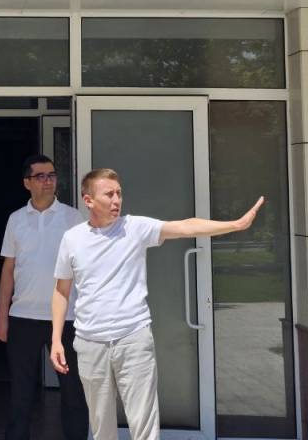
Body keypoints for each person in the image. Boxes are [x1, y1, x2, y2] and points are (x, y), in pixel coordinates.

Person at [50, 168, 264, 440]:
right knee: (101, 426)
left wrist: (234, 225)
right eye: (109, 194)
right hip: (90, 343)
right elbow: (61, 291)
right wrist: (56, 340)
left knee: (144, 425)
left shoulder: (134, 228)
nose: (117, 200)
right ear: (88, 200)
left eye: (119, 193)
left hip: (133, 339)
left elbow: (185, 226)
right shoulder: (72, 239)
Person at [0, 154, 89, 440]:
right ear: (27, 183)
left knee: (73, 391)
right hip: (22, 316)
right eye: (40, 176)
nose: (48, 181)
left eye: (51, 175)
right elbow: (8, 269)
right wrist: (2, 317)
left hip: (67, 318)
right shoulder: (16, 219)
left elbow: (86, 267)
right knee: (21, 392)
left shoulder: (73, 218)